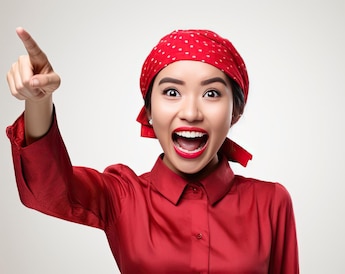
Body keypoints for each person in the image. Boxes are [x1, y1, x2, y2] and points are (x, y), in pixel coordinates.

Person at [5, 27, 299, 273]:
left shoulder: (271, 202)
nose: (191, 112)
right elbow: (46, 193)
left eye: (212, 93)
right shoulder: (122, 195)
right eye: (172, 92)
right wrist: (38, 102)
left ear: (234, 113)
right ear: (148, 112)